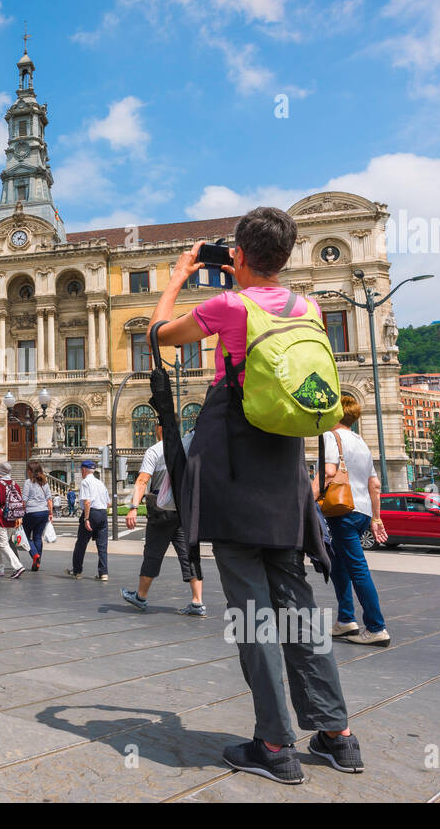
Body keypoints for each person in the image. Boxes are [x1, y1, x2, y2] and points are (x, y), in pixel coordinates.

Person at [151, 206, 360, 785]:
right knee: (297, 610)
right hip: (286, 470)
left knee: (253, 615)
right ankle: (338, 734)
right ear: (287, 257)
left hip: (236, 465)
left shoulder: (227, 305)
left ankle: (274, 743)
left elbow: (159, 335)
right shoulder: (309, 307)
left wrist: (177, 277)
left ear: (238, 255)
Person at [319, 397, 390, 647]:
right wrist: (376, 517)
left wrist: (307, 494)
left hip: (342, 511)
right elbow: (375, 484)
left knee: (357, 569)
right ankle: (346, 620)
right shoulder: (361, 442)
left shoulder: (331, 437)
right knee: (339, 564)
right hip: (361, 512)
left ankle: (376, 627)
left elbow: (328, 472)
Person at [122, 423, 207, 616]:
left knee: (153, 553)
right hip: (184, 510)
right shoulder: (188, 447)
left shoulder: (155, 450)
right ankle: (197, 602)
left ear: (161, 428)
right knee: (190, 555)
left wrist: (133, 507)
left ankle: (141, 596)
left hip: (162, 511)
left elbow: (142, 480)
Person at [66, 461, 110, 581]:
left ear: (84, 470)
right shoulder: (100, 483)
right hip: (102, 513)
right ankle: (103, 573)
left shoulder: (86, 482)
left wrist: (86, 518)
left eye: (81, 470)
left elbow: (87, 502)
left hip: (92, 513)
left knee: (81, 543)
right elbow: (109, 503)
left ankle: (77, 571)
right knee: (102, 546)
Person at [0, 463, 26, 578]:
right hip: (13, 516)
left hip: (0, 516)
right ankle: (0, 568)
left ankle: (18, 566)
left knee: (2, 543)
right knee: (3, 542)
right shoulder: (15, 484)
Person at [20, 462, 54, 572]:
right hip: (44, 512)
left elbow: (24, 500)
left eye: (28, 470)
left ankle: (35, 555)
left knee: (25, 535)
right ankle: (37, 560)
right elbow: (49, 499)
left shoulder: (28, 483)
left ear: (31, 471)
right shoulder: (45, 483)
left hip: (31, 512)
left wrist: (21, 513)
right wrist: (50, 513)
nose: (27, 472)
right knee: (38, 537)